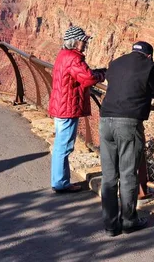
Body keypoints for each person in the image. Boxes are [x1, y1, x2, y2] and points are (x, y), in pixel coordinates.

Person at [99, 41, 154, 237]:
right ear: (149, 55)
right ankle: (129, 220)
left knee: (108, 175)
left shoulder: (115, 62)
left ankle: (109, 224)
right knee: (128, 173)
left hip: (105, 120)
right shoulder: (149, 66)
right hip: (128, 123)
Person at [48, 26, 105, 193]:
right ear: (75, 42)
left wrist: (97, 71)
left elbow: (81, 74)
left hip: (60, 105)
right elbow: (88, 78)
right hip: (67, 107)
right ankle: (60, 183)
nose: (85, 44)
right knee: (64, 146)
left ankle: (60, 181)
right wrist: (103, 74)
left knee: (61, 144)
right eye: (83, 41)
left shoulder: (63, 55)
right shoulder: (74, 58)